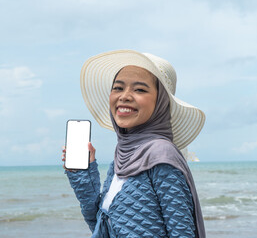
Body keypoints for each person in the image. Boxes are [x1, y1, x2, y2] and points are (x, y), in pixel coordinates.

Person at [62, 50, 206, 238]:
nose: (125, 96)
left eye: (139, 89)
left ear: (161, 101)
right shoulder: (123, 156)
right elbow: (100, 225)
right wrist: (82, 174)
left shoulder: (161, 156)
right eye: (118, 88)